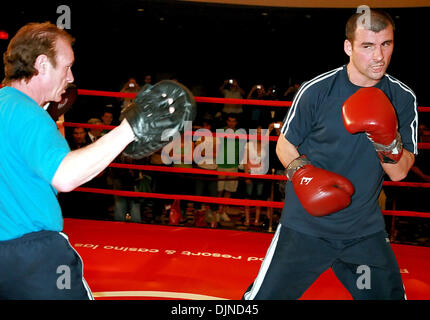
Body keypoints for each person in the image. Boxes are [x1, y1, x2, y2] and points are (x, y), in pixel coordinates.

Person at [0, 22, 195, 299]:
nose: (70, 77)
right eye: (66, 67)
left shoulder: (5, 105)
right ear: (42, 64)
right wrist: (129, 129)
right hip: (35, 258)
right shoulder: (28, 114)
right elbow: (66, 177)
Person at [243, 9, 417, 300]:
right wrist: (302, 173)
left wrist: (387, 140)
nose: (378, 56)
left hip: (363, 232)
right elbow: (284, 145)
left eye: (386, 44)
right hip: (305, 228)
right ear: (348, 47)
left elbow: (398, 172)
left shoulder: (401, 97)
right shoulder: (318, 90)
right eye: (367, 46)